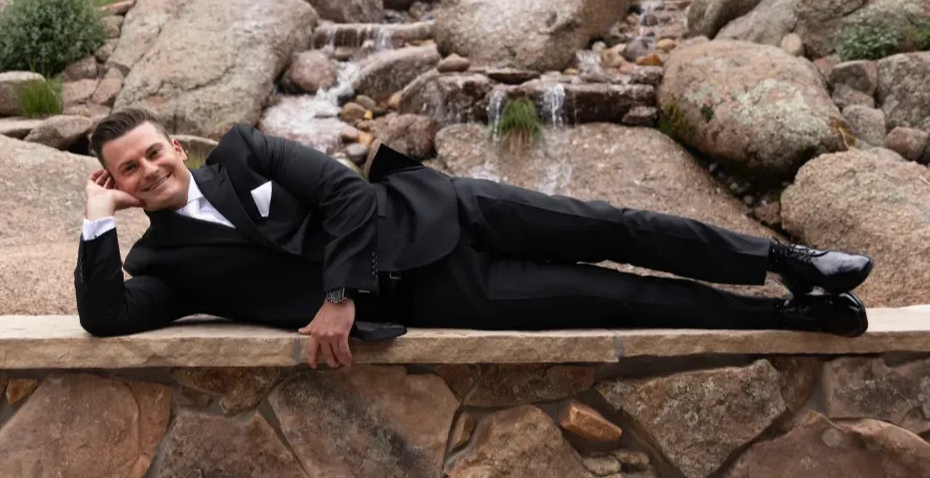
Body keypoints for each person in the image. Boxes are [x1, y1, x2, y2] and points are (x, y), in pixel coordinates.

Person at [76, 107, 873, 369]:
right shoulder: (163, 263)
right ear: (118, 181)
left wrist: (337, 295)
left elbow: (345, 193)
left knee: (619, 227)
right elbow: (107, 318)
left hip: (451, 211)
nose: (149, 171)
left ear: (175, 146)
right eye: (129, 169)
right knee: (610, 297)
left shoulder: (245, 151)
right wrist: (93, 220)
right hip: (437, 294)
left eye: (153, 153)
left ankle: (785, 260)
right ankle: (788, 316)